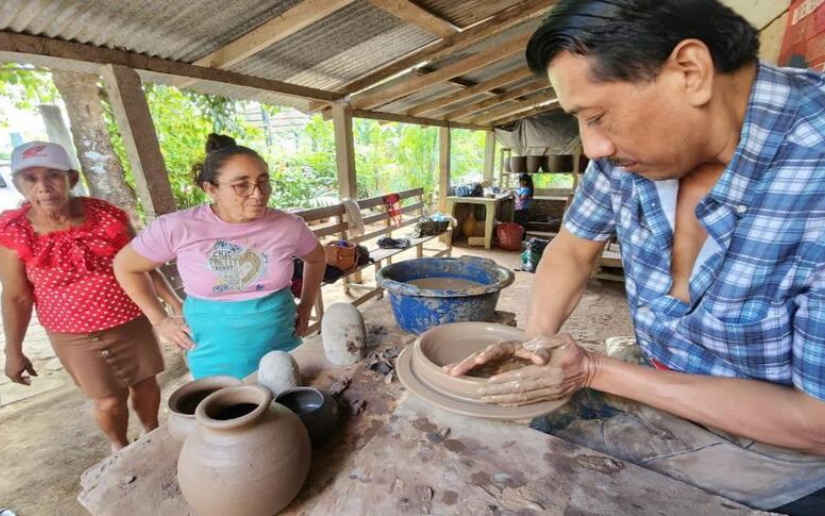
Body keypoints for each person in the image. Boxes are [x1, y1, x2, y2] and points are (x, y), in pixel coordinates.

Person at [444, 1, 825, 513]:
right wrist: (536, 347)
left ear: (690, 72)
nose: (593, 148)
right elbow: (572, 249)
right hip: (654, 381)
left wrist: (593, 371)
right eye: (580, 121)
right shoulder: (627, 156)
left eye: (597, 116)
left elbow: (817, 422)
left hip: (786, 447)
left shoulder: (813, 168)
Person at [0, 141, 181, 451]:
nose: (43, 187)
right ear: (18, 184)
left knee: (146, 383)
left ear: (71, 178)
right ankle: (119, 447)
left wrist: (174, 303)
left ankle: (150, 435)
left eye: (53, 175)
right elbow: (16, 298)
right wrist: (13, 350)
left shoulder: (107, 217)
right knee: (108, 400)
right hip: (73, 335)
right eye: (30, 178)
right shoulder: (15, 233)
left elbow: (143, 266)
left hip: (130, 321)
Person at [114, 134, 326, 380]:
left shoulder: (288, 226)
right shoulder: (178, 227)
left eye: (263, 182)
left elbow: (317, 258)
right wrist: (160, 320)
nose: (258, 194)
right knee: (227, 403)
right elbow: (126, 267)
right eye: (242, 185)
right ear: (211, 189)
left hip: (281, 342)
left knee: (289, 396)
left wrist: (306, 304)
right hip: (213, 352)